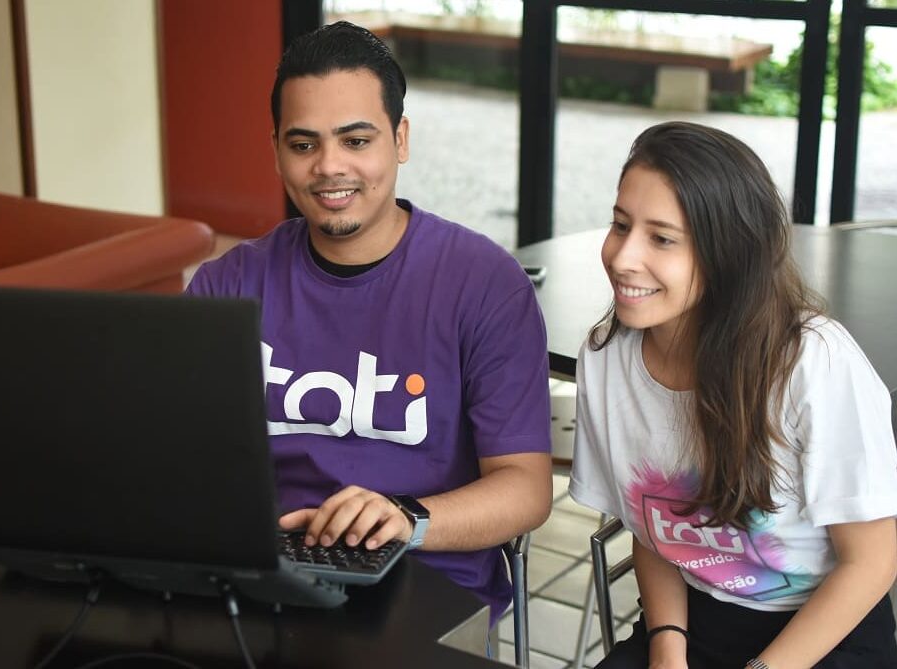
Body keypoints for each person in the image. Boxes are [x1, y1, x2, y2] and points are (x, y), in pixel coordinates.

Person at [185, 21, 553, 629]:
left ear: (400, 139)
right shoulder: (226, 285)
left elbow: (525, 487)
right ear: (276, 147)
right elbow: (180, 457)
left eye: (356, 141)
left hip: (427, 585)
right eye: (303, 145)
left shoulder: (484, 284)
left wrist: (408, 522)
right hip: (263, 581)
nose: (330, 167)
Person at [570, 121, 897, 668]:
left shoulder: (810, 361)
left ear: (730, 254)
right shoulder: (607, 359)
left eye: (663, 238)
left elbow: (872, 560)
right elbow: (652, 533)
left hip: (822, 630)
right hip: (695, 620)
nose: (623, 257)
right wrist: (667, 650)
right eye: (620, 225)